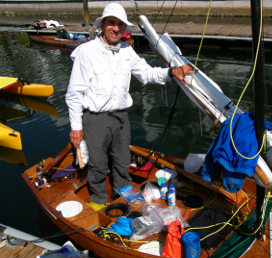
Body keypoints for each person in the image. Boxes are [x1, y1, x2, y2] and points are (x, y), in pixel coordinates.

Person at [65, 3, 193, 210]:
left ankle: (122, 192)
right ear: (103, 25)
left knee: (123, 159)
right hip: (95, 119)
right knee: (97, 164)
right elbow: (74, 94)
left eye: (120, 25)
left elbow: (147, 74)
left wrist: (171, 72)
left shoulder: (127, 51)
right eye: (111, 23)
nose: (116, 28)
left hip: (121, 117)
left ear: (124, 29)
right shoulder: (85, 52)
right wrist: (76, 126)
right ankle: (98, 199)